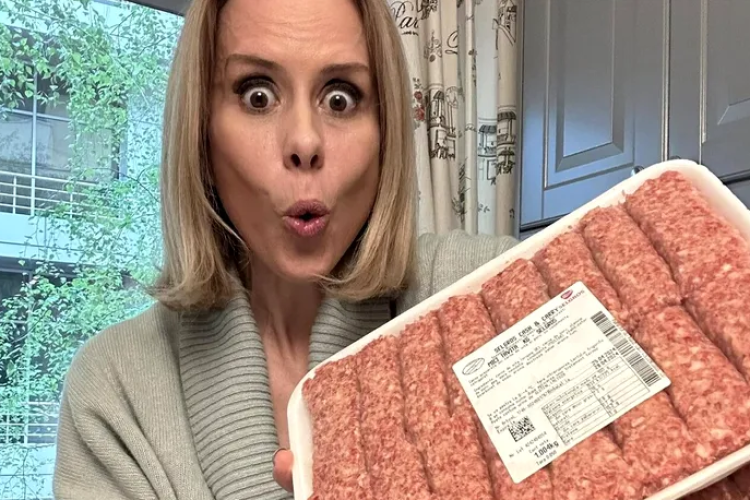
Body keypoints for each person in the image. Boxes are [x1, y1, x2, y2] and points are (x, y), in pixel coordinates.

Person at [52, 0, 517, 498]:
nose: (304, 142)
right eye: (258, 96)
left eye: (340, 98)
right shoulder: (115, 392)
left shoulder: (490, 293)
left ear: (386, 132)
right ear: (201, 129)